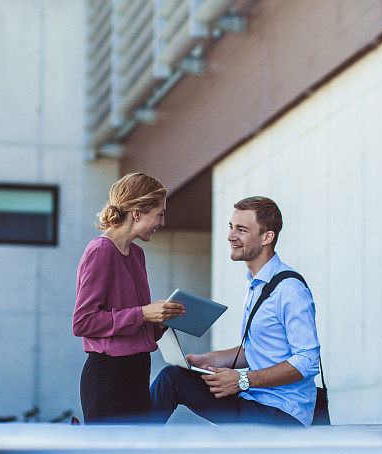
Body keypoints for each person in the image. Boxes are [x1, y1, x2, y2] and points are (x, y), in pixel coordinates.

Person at [150, 196, 320, 426]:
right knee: (174, 377)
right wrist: (207, 359)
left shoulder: (289, 289)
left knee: (172, 380)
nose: (231, 236)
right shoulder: (255, 283)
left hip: (282, 414)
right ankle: (132, 448)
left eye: (241, 230)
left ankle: (132, 451)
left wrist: (242, 379)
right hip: (252, 399)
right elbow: (257, 352)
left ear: (266, 237)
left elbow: (307, 361)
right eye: (231, 227)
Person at [72, 172, 184, 424]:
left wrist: (161, 321)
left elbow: (133, 324)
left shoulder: (136, 254)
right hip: (109, 378)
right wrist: (144, 313)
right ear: (137, 213)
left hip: (136, 373)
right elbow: (83, 322)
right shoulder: (100, 252)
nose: (162, 222)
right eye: (160, 214)